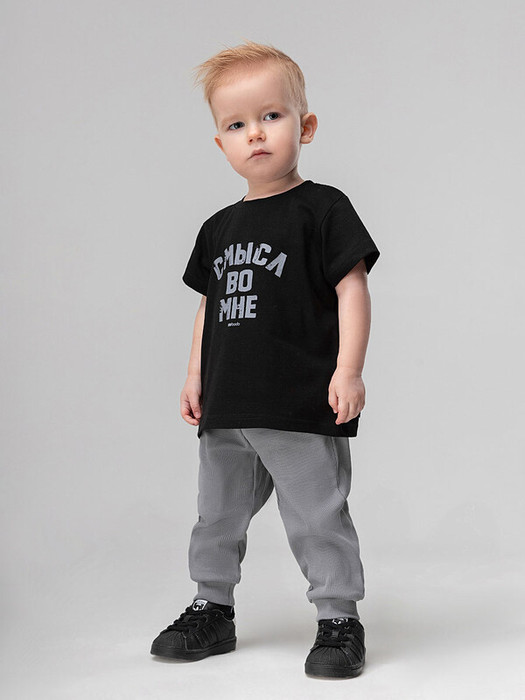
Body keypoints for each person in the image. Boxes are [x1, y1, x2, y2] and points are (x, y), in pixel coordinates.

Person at [150, 40, 380, 680]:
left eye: (271, 116)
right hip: (228, 404)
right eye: (236, 124)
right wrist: (194, 376)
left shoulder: (323, 208)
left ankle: (339, 618)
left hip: (298, 401)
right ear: (220, 142)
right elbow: (209, 308)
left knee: (317, 514)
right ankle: (212, 607)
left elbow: (353, 288)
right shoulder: (218, 227)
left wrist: (349, 369)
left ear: (305, 126)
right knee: (216, 516)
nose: (255, 133)